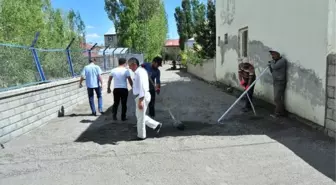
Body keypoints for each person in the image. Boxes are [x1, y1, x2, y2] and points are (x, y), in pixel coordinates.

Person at [128, 57, 162, 140]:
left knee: (140, 118)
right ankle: (156, 125)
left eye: (130, 65)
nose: (129, 67)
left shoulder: (140, 72)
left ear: (134, 64)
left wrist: (141, 100)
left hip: (143, 95)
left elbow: (143, 87)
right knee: (139, 116)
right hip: (141, 95)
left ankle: (141, 136)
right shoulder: (141, 70)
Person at [268, 49, 287, 118]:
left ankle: (277, 113)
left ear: (277, 54)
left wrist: (271, 63)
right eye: (272, 55)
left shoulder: (282, 61)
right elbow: (272, 70)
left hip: (280, 82)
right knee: (278, 98)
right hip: (275, 81)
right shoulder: (275, 61)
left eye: (273, 54)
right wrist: (269, 66)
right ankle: (281, 112)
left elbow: (275, 67)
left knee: (276, 98)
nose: (272, 56)